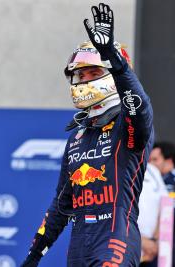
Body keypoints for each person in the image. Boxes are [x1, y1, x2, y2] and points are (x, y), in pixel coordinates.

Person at [21, 3, 154, 267]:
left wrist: (113, 59)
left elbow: (139, 106)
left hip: (115, 238)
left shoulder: (127, 123)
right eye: (80, 75)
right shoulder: (77, 137)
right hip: (79, 243)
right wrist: (33, 256)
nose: (84, 80)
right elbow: (60, 206)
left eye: (93, 72)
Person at [138, 163, 168, 266]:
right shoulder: (113, 167)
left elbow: (165, 206)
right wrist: (140, 241)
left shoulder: (152, 171)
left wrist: (155, 240)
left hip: (151, 252)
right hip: (122, 249)